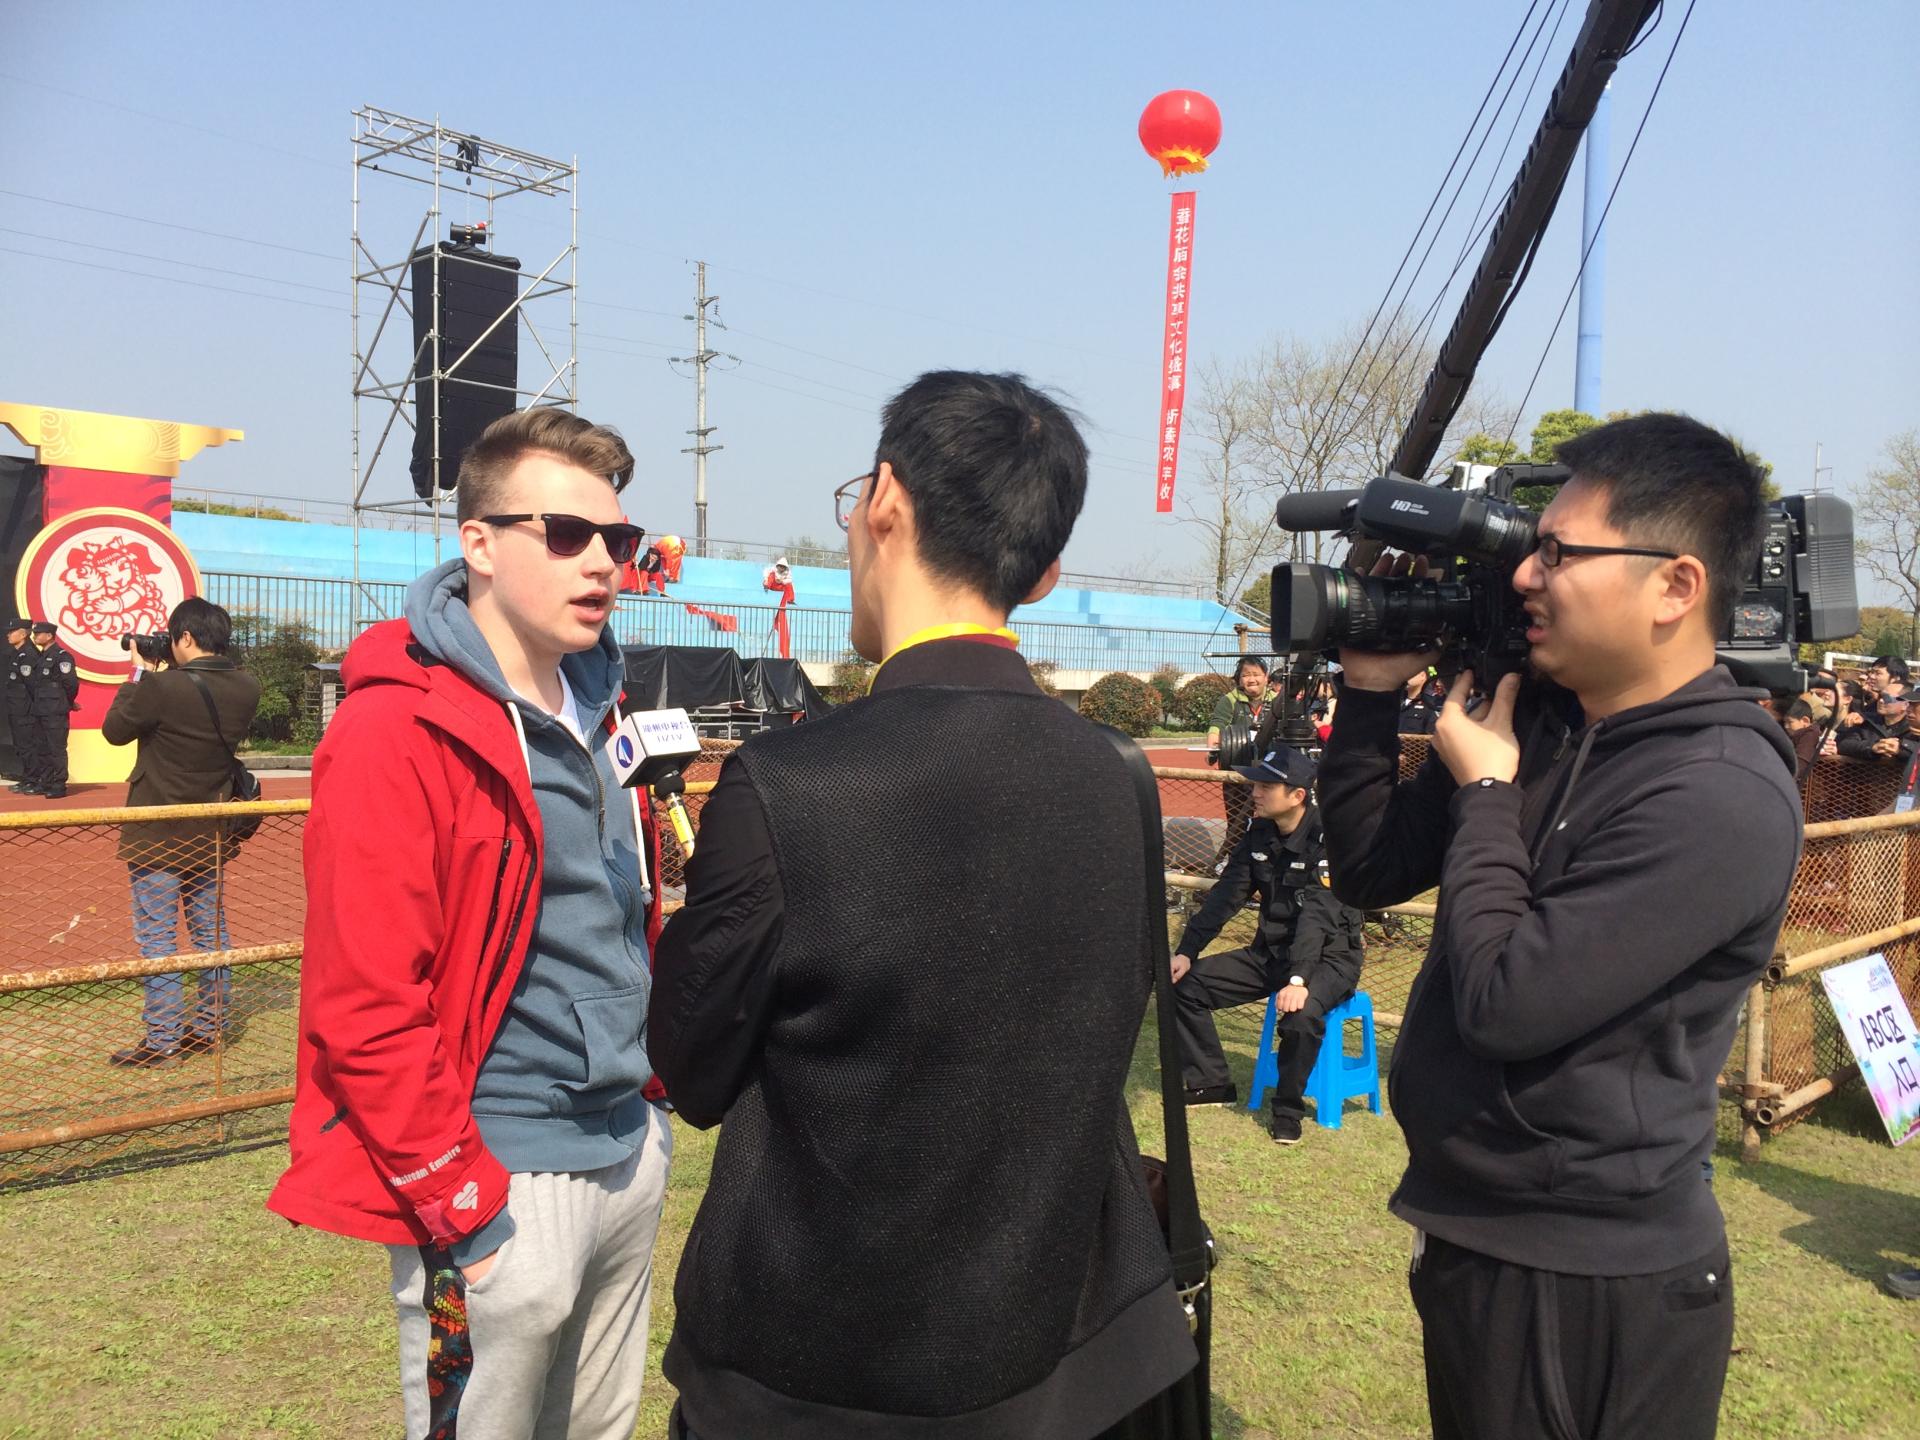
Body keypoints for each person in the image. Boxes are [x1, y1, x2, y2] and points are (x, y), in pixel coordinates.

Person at [649, 371, 1196, 1440]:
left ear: (884, 500)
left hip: (812, 1377)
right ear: (1044, 572)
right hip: (1061, 1364)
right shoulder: (1117, 777)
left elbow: (692, 1068)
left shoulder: (787, 786)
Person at [1318, 413, 1801, 1440]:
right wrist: (1367, 697)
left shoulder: (1719, 791)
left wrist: (1489, 795)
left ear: (1675, 586)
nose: (1525, 576)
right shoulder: (1541, 720)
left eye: (1558, 553)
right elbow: (1369, 870)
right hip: (1480, 1236)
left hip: (1588, 1281)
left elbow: (1508, 1003)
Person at [268, 407, 673, 1440]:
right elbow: (365, 1004)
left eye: (618, 538)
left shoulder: (606, 702)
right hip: (498, 1169)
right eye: (566, 535)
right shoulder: (395, 727)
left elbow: (619, 919)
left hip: (626, 1148)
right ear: (479, 544)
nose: (603, 563)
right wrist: (466, 1208)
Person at [1169, 744, 1364, 1142]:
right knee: (1185, 986)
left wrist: (1298, 980)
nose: (1255, 792)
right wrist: (1187, 951)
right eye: (1256, 784)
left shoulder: (1328, 840)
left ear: (1297, 795)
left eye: (1266, 787)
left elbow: (1317, 917)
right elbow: (1226, 896)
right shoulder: (1259, 833)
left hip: (1328, 959)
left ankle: (1288, 1110)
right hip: (1272, 954)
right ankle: (1211, 1083)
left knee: (1301, 1016)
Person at [101, 598, 262, 1067]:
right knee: (211, 934)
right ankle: (209, 1029)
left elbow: (115, 730)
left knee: (158, 938)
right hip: (209, 831)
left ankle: (163, 1040)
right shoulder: (247, 687)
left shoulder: (160, 687)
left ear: (185, 637)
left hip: (156, 832)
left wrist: (138, 671)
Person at [1207, 656, 1273, 869]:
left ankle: (1268, 861)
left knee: (1272, 816)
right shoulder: (1229, 700)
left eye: (1256, 674)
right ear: (1239, 679)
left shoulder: (1277, 699)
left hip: (1270, 772)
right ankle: (1234, 862)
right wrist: (1213, 746)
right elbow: (1217, 726)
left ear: (1266, 677)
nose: (1251, 679)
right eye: (1246, 675)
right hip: (1237, 772)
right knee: (1236, 820)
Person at [20, 620, 80, 798]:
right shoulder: (41, 657)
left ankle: (59, 784)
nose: (35, 636)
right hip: (41, 710)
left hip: (55, 711)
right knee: (42, 748)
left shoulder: (62, 656)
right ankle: (45, 782)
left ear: (49, 636)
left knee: (56, 749)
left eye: (38, 634)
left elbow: (71, 684)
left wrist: (66, 702)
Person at [3, 618, 32, 788]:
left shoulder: (28, 654)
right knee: (21, 745)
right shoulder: (15, 654)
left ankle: (33, 778)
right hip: (16, 708)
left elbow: (32, 685)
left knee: (28, 745)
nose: (8, 635)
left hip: (25, 710)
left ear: (22, 634)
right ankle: (28, 777)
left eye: (11, 631)